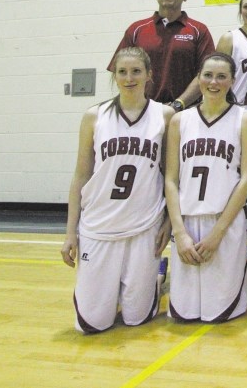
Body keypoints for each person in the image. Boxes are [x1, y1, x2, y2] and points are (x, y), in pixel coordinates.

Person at [61, 47, 173, 333]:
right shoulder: (94, 116)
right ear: (114, 76)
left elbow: (172, 176)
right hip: (99, 225)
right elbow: (80, 176)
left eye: (136, 71)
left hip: (144, 227)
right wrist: (70, 232)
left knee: (137, 318)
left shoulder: (165, 116)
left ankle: (156, 278)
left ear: (149, 75)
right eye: (122, 72)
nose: (129, 77)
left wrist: (169, 222)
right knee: (91, 324)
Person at [164, 53, 247, 322]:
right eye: (207, 75)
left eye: (221, 76)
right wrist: (179, 233)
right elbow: (170, 179)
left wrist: (218, 233)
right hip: (188, 224)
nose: (213, 82)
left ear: (232, 81)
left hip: (224, 224)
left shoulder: (245, 119)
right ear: (199, 79)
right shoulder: (179, 121)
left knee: (218, 316)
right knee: (184, 315)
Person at [110, 0, 215, 111]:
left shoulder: (199, 30)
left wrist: (177, 105)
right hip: (142, 113)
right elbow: (119, 71)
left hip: (185, 113)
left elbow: (206, 74)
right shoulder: (136, 29)